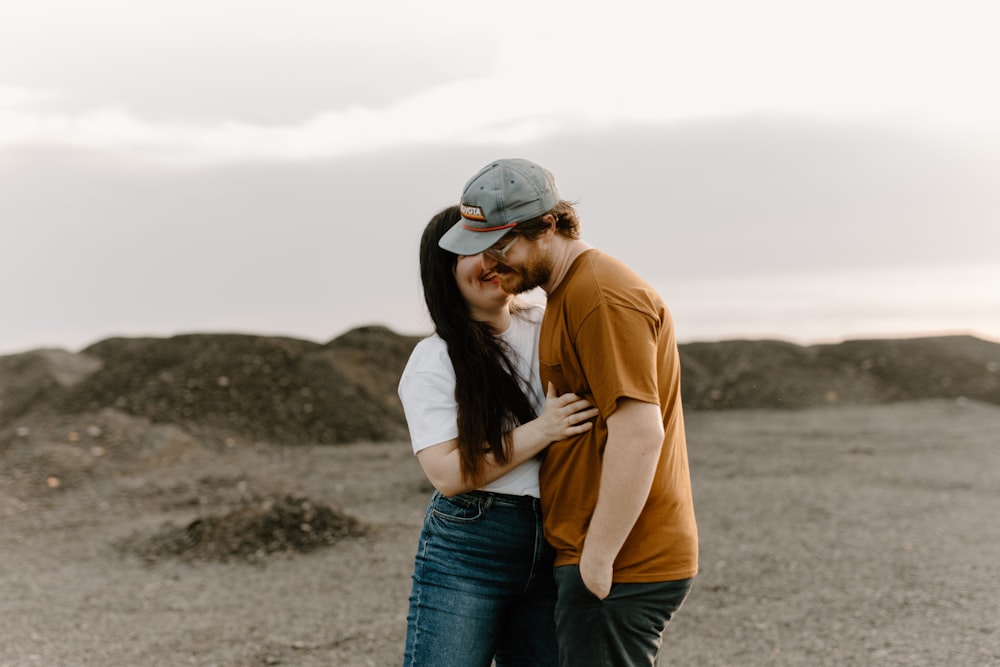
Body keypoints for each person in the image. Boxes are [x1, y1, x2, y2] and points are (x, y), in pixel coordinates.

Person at [438, 159, 699, 666]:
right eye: (480, 248)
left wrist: (596, 561)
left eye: (501, 244)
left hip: (623, 560)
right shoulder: (570, 291)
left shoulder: (599, 295)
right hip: (599, 554)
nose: (489, 263)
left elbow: (641, 433)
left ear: (550, 225)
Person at [398, 204, 599, 667]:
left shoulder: (549, 324)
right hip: (472, 547)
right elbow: (447, 473)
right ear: (443, 268)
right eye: (471, 251)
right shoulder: (435, 359)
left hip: (559, 536)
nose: (490, 261)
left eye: (497, 246)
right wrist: (544, 430)